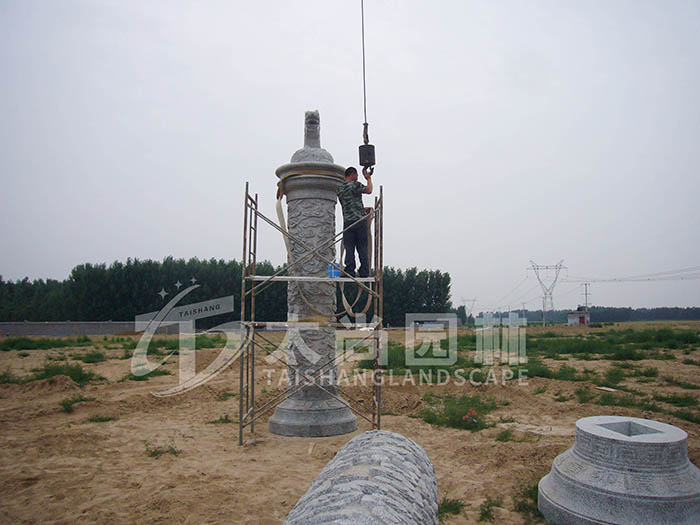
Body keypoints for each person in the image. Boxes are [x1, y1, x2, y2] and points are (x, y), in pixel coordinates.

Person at [337, 166, 373, 277]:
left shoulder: (340, 189)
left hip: (348, 222)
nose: (357, 177)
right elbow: (369, 190)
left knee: (349, 248)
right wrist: (368, 178)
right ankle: (364, 271)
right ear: (352, 174)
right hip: (359, 221)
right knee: (362, 248)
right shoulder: (355, 185)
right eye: (356, 175)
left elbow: (350, 203)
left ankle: (350, 271)